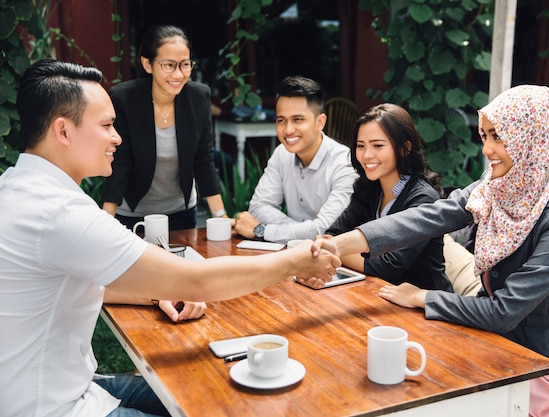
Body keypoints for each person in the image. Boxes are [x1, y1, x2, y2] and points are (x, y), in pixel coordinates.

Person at [0, 59, 339, 417]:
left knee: (207, 389)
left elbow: (81, 280)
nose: (118, 137)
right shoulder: (59, 212)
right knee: (220, 399)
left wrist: (157, 292)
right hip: (49, 408)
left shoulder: (19, 187)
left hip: (59, 389)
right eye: (107, 125)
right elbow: (196, 280)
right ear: (63, 131)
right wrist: (296, 260)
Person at [310, 85, 549, 416]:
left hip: (541, 361)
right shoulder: (496, 185)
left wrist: (420, 297)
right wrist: (337, 243)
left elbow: (504, 311)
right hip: (488, 340)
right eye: (486, 136)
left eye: (500, 137)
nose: (487, 149)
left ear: (533, 138)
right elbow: (429, 217)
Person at [102, 25, 229, 231]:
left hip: (181, 211)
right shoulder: (124, 99)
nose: (178, 74)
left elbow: (203, 159)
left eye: (185, 65)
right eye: (169, 65)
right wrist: (105, 220)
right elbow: (121, 162)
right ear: (148, 64)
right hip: (133, 213)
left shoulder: (198, 97)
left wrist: (221, 217)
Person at [321, 103, 452, 291]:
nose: (367, 155)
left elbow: (388, 267)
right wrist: (336, 245)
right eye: (360, 146)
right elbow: (333, 233)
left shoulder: (423, 199)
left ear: (404, 148)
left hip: (424, 309)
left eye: (378, 145)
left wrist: (335, 249)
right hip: (374, 295)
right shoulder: (368, 189)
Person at [233, 76, 359, 243]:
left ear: (320, 122)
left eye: (298, 120)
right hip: (293, 255)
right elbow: (258, 207)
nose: (288, 130)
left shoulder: (345, 163)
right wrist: (302, 231)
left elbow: (325, 229)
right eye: (281, 121)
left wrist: (262, 230)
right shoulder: (282, 154)